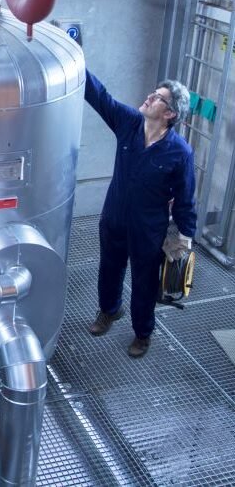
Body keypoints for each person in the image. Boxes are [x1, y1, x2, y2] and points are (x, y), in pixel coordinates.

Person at [84, 69, 196, 358]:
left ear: (170, 114)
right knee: (109, 268)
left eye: (157, 98)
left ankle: (143, 333)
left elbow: (185, 199)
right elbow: (101, 97)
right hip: (114, 218)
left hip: (148, 229)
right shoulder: (129, 123)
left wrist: (184, 239)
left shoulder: (179, 152)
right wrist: (74, 58)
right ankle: (109, 310)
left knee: (144, 283)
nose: (149, 97)